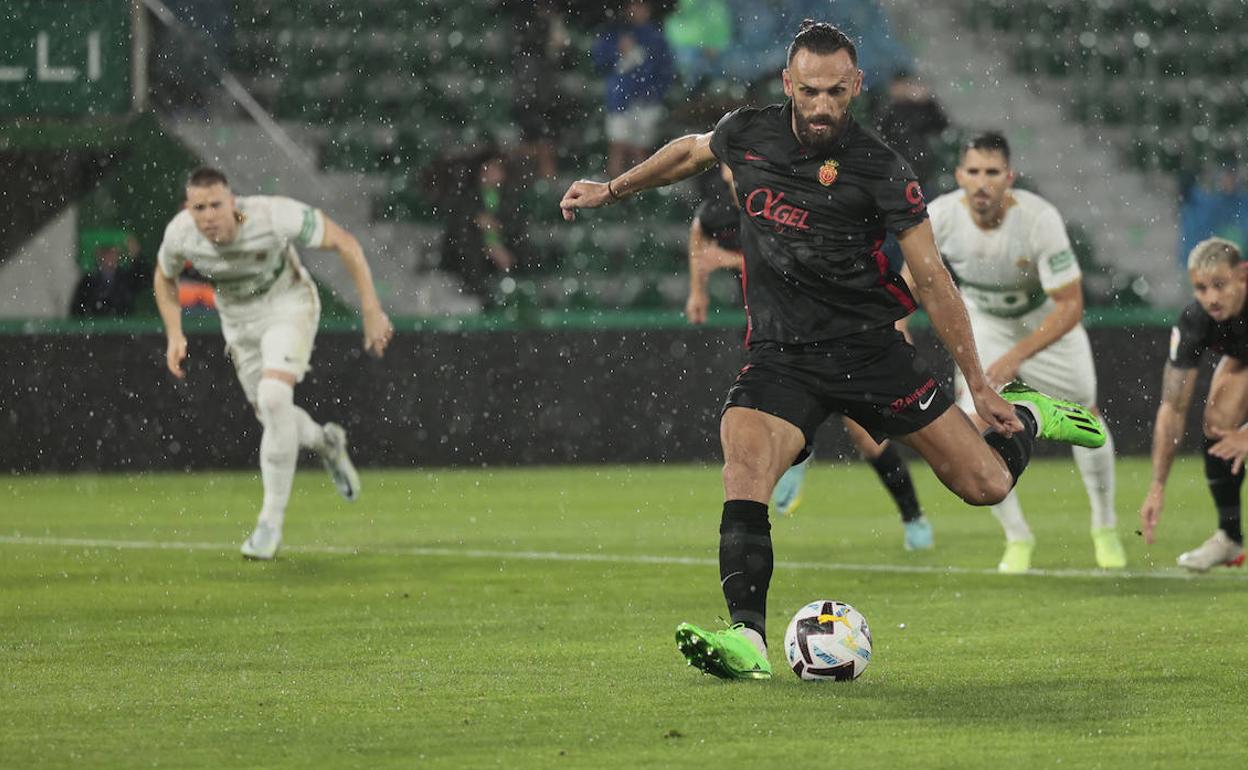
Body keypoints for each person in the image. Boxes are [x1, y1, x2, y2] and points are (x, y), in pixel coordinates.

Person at [560, 20, 1105, 680]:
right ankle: (747, 638)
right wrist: (613, 189)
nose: (822, 106)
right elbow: (690, 151)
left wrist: (981, 384)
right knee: (745, 463)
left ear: (857, 86)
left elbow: (931, 278)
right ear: (789, 83)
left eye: (836, 93)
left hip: (870, 353)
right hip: (782, 356)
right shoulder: (748, 132)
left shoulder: (882, 169)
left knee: (985, 484)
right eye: (810, 91)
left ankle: (1029, 415)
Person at [685, 162, 934, 549]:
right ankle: (799, 455)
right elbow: (699, 235)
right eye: (731, 166)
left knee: (870, 441)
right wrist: (697, 291)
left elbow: (798, 258)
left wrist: (728, 260)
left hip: (839, 331)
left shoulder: (785, 205)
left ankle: (913, 517)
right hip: (775, 333)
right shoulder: (718, 212)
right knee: (767, 421)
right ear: (722, 170)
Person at [153, 167, 394, 560]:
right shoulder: (181, 234)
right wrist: (175, 333)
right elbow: (164, 278)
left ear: (233, 202)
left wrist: (371, 310)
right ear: (188, 209)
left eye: (216, 204)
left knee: (274, 395)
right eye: (200, 207)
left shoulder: (271, 216)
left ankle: (270, 523)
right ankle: (326, 442)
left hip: (288, 305)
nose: (209, 215)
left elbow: (346, 244)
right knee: (273, 414)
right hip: (238, 321)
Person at [928, 132, 1125, 573]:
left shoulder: (1039, 219)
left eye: (992, 172)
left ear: (1009, 177)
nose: (982, 183)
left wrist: (1017, 356)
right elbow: (911, 276)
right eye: (973, 171)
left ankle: (1105, 526)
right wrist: (897, 325)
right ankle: (1017, 537)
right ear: (959, 175)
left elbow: (1071, 304)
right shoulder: (938, 216)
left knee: (1086, 417)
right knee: (972, 422)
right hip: (984, 320)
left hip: (1043, 323)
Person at [1138, 237, 1248, 572]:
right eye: (1201, 288)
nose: (1211, 298)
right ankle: (1229, 539)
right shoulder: (1195, 321)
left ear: (1242, 274)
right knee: (1219, 422)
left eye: (1220, 285)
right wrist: (1158, 485)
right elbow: (1172, 408)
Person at [591, 1, 677, 178]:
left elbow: (665, 70)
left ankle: (641, 191)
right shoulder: (614, 33)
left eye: (642, 6)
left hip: (647, 101)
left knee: (641, 150)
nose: (637, 10)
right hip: (620, 99)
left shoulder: (656, 36)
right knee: (619, 146)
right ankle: (613, 191)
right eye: (634, 6)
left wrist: (654, 93)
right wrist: (618, 50)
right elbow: (599, 61)